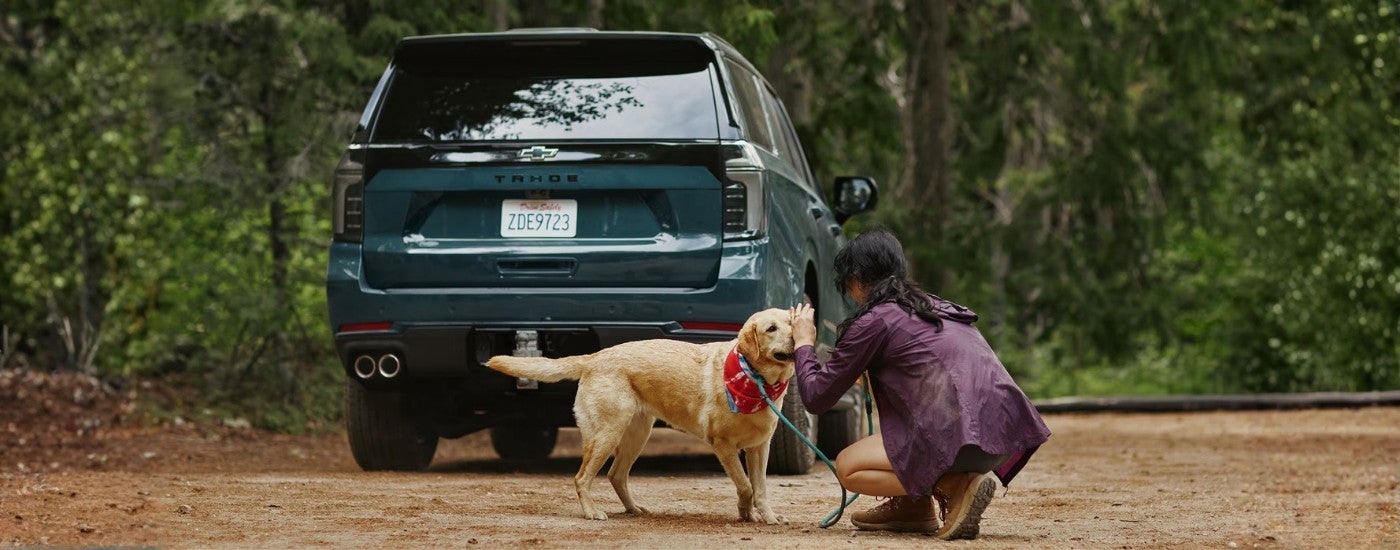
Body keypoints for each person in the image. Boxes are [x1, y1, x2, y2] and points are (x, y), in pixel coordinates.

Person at [789, 229, 1051, 540]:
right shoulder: (933, 305)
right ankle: (912, 508)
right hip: (1002, 435)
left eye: (847, 284)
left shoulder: (874, 320)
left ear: (857, 278)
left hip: (960, 443)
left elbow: (816, 397)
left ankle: (954, 485)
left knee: (849, 467)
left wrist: (803, 343)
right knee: (903, 431)